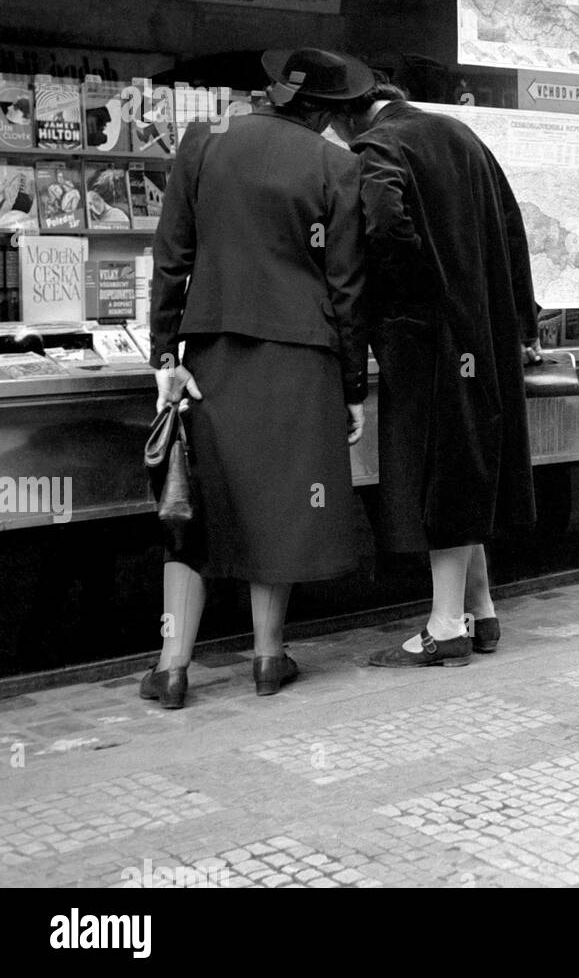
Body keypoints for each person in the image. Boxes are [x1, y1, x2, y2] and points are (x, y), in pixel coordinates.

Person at [142, 47, 371, 708]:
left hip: (212, 352)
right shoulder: (337, 164)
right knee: (277, 508)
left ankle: (173, 666)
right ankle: (269, 659)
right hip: (302, 356)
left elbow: (171, 254)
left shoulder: (203, 139)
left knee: (196, 506)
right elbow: (348, 288)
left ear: (275, 91)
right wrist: (352, 387)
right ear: (325, 109)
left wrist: (166, 356)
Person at [330, 84, 541, 668]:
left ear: (353, 117)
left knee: (439, 472)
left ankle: (445, 626)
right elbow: (512, 226)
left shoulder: (378, 146)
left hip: (427, 339)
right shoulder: (462, 136)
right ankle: (483, 609)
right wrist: (525, 322)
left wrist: (410, 296)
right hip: (484, 333)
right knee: (466, 460)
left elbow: (382, 225)